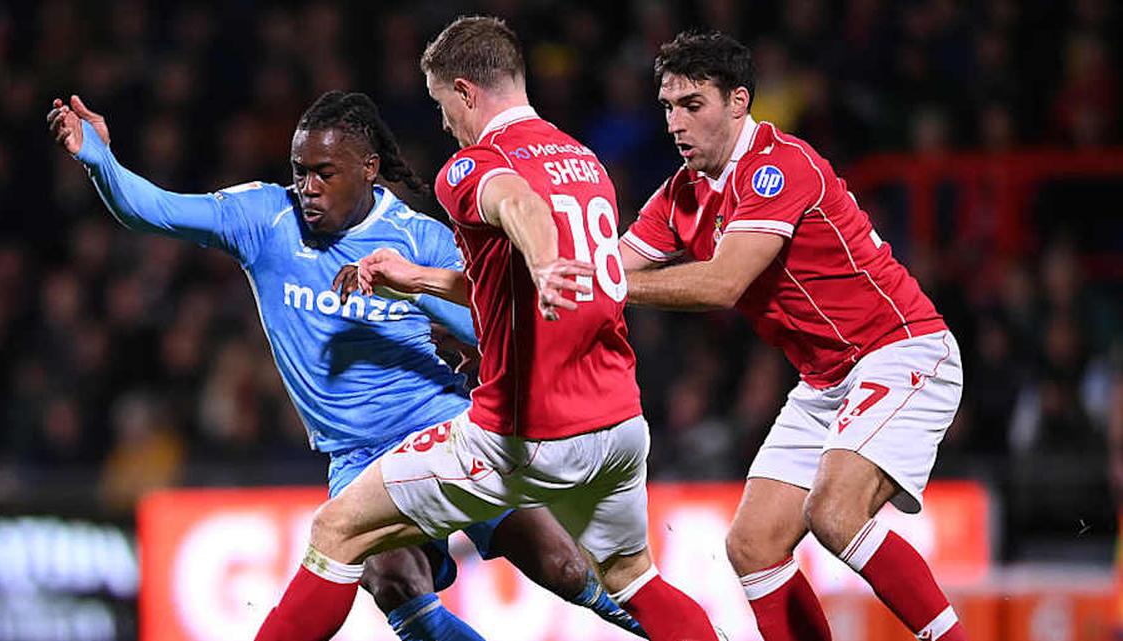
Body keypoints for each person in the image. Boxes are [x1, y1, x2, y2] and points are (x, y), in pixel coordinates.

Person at [47, 90, 645, 641]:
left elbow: (498, 330)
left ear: (367, 169)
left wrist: (474, 345)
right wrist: (99, 159)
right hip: (356, 458)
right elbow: (155, 210)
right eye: (299, 171)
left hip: (443, 433)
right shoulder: (264, 219)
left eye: (323, 173)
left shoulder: (420, 241)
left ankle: (673, 629)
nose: (306, 186)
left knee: (565, 568)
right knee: (396, 588)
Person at [259, 16, 722, 641]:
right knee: (635, 580)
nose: (445, 122)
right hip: (618, 425)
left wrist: (543, 256)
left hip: (523, 433)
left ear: (465, 91)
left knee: (336, 530)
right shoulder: (584, 161)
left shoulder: (471, 167)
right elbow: (499, 289)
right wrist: (416, 277)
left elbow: (515, 201)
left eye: (443, 105)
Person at [617, 31, 967, 641]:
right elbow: (610, 268)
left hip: (900, 349)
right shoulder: (681, 194)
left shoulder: (779, 166)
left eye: (692, 105)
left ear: (738, 102)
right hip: (827, 379)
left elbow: (722, 284)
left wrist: (606, 286)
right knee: (753, 545)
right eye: (668, 107)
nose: (676, 123)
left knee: (835, 512)